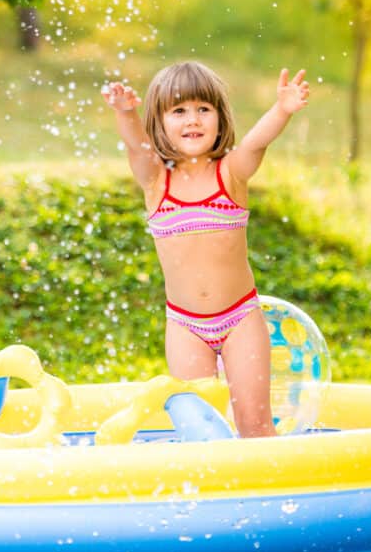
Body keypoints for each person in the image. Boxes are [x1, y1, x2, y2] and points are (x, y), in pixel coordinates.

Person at [102, 61, 310, 438]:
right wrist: (126, 112)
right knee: (201, 434)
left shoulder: (229, 174)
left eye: (203, 109)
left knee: (255, 426)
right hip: (185, 327)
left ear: (219, 117)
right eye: (179, 111)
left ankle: (272, 493)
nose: (192, 120)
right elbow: (136, 147)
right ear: (160, 123)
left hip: (240, 320)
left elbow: (255, 143)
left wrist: (282, 110)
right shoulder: (156, 182)